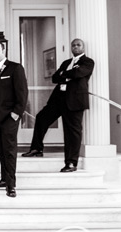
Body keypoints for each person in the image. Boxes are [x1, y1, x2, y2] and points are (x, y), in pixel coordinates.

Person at [21, 39, 95, 173]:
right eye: (73, 45)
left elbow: (78, 73)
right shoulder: (66, 63)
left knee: (72, 132)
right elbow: (55, 78)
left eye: (78, 45)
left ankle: (71, 163)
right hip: (58, 99)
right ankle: (36, 149)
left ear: (83, 47)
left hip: (74, 101)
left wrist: (64, 74)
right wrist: (66, 75)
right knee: (41, 118)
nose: (75, 47)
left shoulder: (88, 62)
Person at [0, 42, 28, 198]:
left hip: (9, 116)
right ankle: (4, 178)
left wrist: (17, 113)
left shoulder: (15, 68)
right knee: (1, 150)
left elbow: (22, 92)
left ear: (3, 50)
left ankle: (11, 185)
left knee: (9, 150)